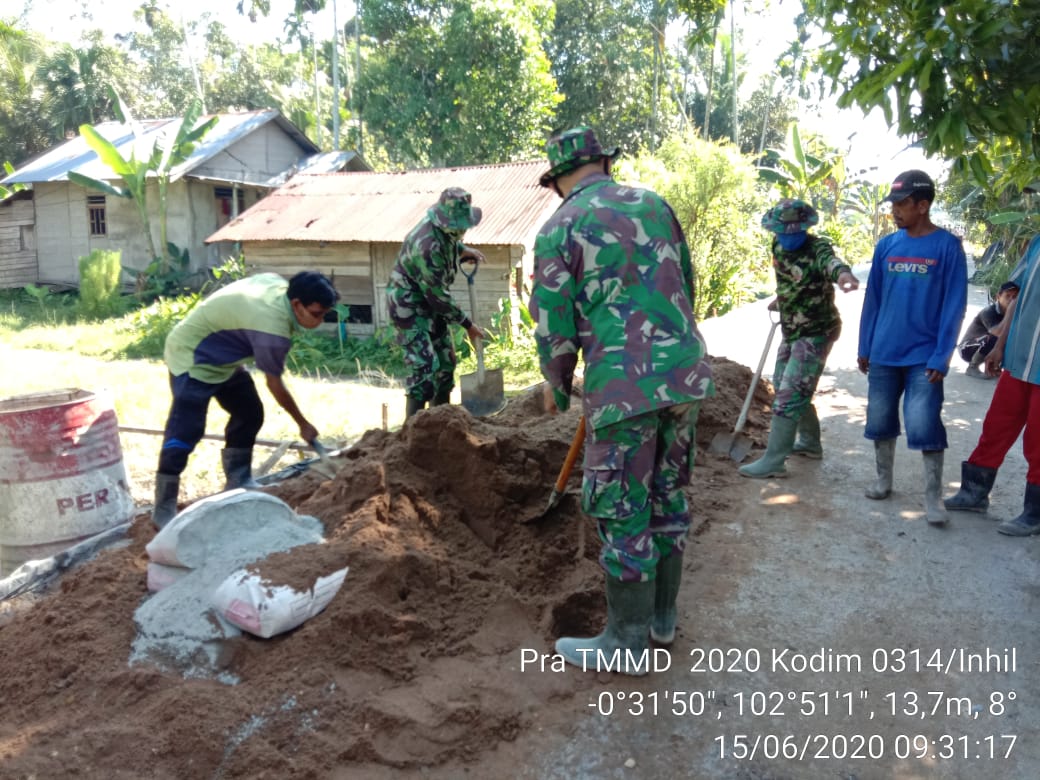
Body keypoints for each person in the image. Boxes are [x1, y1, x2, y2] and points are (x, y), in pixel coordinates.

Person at [529, 126, 714, 675]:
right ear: (604, 163)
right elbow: (688, 283)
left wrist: (559, 385)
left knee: (623, 509)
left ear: (559, 178)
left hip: (623, 388)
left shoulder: (559, 226)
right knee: (668, 495)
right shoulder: (655, 205)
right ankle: (662, 622)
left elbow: (553, 323)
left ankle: (627, 644)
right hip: (684, 374)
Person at [153, 271, 340, 528]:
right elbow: (274, 383)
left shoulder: (279, 287)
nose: (320, 321)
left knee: (249, 411)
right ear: (296, 304)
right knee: (186, 430)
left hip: (225, 357)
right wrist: (303, 424)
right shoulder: (272, 331)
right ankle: (163, 507)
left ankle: (238, 479)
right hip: (192, 356)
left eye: (324, 314)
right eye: (316, 314)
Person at [857, 170, 968, 526]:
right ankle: (882, 480)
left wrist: (942, 355)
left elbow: (955, 305)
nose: (894, 211)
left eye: (901, 204)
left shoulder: (947, 247)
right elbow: (872, 299)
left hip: (925, 356)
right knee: (879, 419)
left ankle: (933, 497)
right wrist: (865, 344)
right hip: (884, 353)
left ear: (923, 205)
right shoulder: (887, 246)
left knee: (924, 422)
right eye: (892, 204)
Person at [738, 199, 859, 478]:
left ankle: (774, 461)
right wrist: (782, 300)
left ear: (805, 228)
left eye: (794, 233)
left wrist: (844, 277)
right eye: (783, 232)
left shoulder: (817, 248)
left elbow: (832, 264)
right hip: (791, 328)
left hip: (817, 332)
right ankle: (809, 442)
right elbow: (789, 281)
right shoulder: (778, 247)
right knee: (781, 384)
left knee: (791, 394)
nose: (788, 238)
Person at [944, 235, 1040, 535]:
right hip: (1019, 358)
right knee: (996, 426)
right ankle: (974, 493)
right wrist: (1000, 343)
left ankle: (1034, 514)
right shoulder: (1037, 243)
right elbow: (1016, 298)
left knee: (1038, 441)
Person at [386, 188, 486, 419]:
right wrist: (468, 325)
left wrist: (463, 250)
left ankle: (442, 424)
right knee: (424, 368)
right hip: (408, 307)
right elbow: (438, 296)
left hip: (431, 305)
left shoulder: (445, 231)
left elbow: (449, 243)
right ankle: (413, 431)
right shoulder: (427, 246)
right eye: (459, 225)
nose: (463, 230)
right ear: (446, 220)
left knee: (446, 364)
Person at [956, 280, 1019, 378]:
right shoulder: (988, 312)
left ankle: (995, 368)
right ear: (998, 297)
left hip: (983, 346)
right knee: (994, 338)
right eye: (1007, 296)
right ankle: (972, 367)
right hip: (967, 348)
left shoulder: (1016, 315)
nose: (1011, 300)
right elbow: (998, 332)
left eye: (1014, 297)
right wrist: (1010, 313)